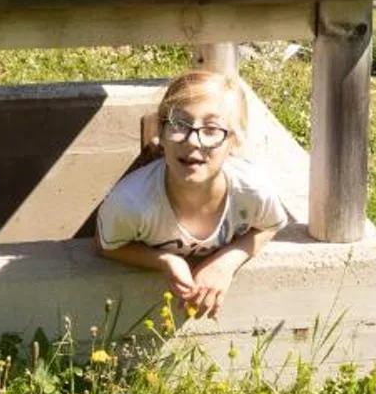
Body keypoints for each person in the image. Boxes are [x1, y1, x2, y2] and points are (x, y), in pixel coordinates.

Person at [96, 69, 289, 317]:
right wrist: (164, 260)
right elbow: (106, 245)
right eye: (179, 124)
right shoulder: (132, 203)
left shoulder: (253, 192)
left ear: (235, 139)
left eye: (211, 129)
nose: (193, 141)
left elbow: (270, 226)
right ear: (161, 133)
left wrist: (226, 263)